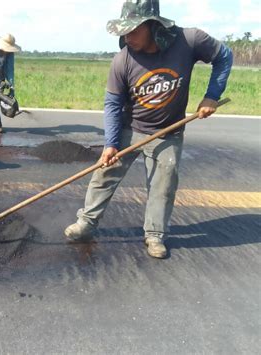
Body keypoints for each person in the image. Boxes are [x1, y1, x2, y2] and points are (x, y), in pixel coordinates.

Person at [64, 0, 233, 258]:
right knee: (104, 174)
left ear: (152, 25)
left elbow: (224, 56)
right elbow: (112, 104)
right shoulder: (123, 60)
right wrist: (110, 144)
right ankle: (86, 223)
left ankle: (155, 235)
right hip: (130, 127)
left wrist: (212, 96)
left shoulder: (189, 40)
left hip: (169, 131)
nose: (127, 37)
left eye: (133, 30)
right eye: (124, 31)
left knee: (163, 184)